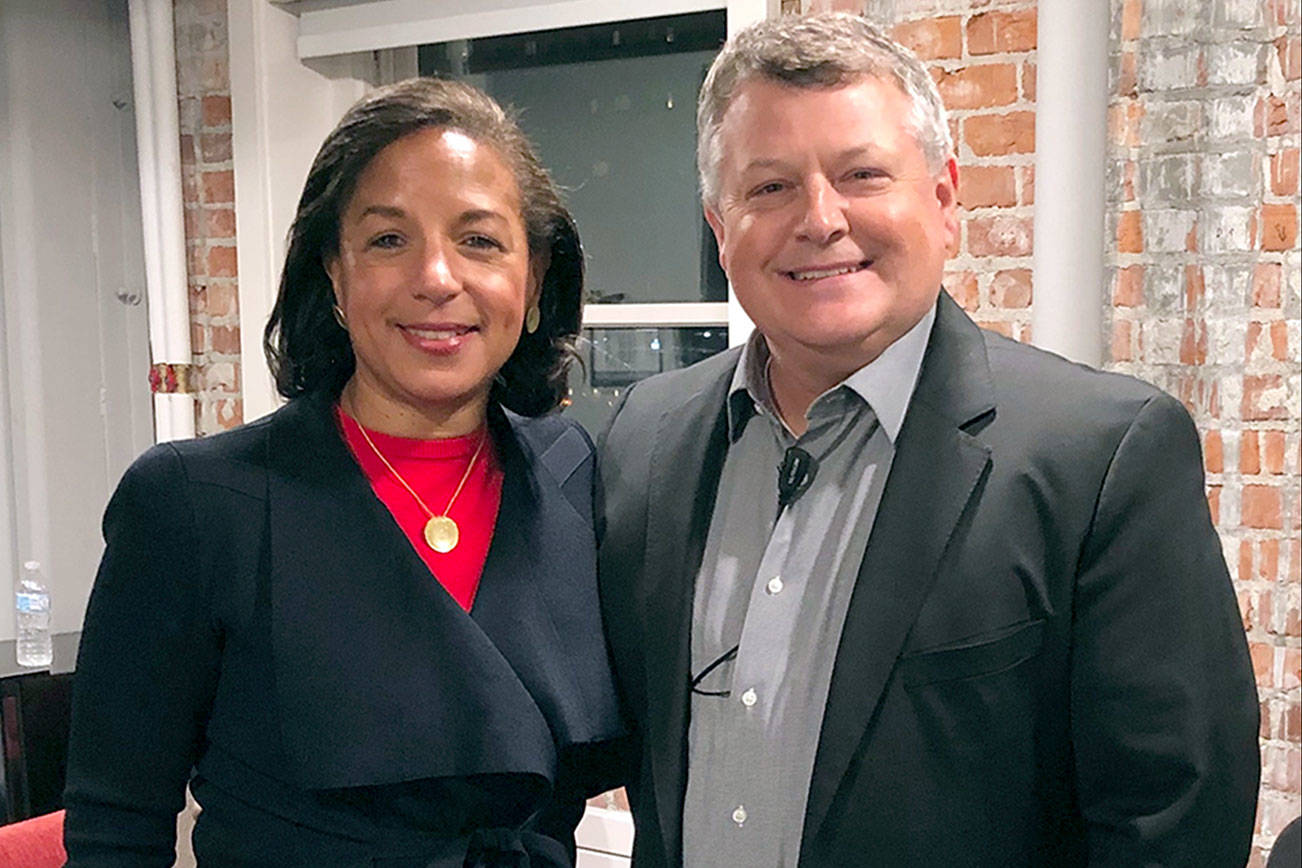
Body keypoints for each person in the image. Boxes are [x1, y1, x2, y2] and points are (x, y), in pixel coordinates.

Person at [598, 13, 1260, 867]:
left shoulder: (1102, 462)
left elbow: (1173, 823)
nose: (820, 219)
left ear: (944, 202)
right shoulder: (645, 442)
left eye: (862, 175)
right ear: (721, 231)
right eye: (769, 188)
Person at [64, 78, 623, 866]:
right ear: (334, 274)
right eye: (389, 239)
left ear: (533, 282)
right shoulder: (193, 504)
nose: (437, 277)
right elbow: (114, 829)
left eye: (479, 241)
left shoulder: (578, 477)